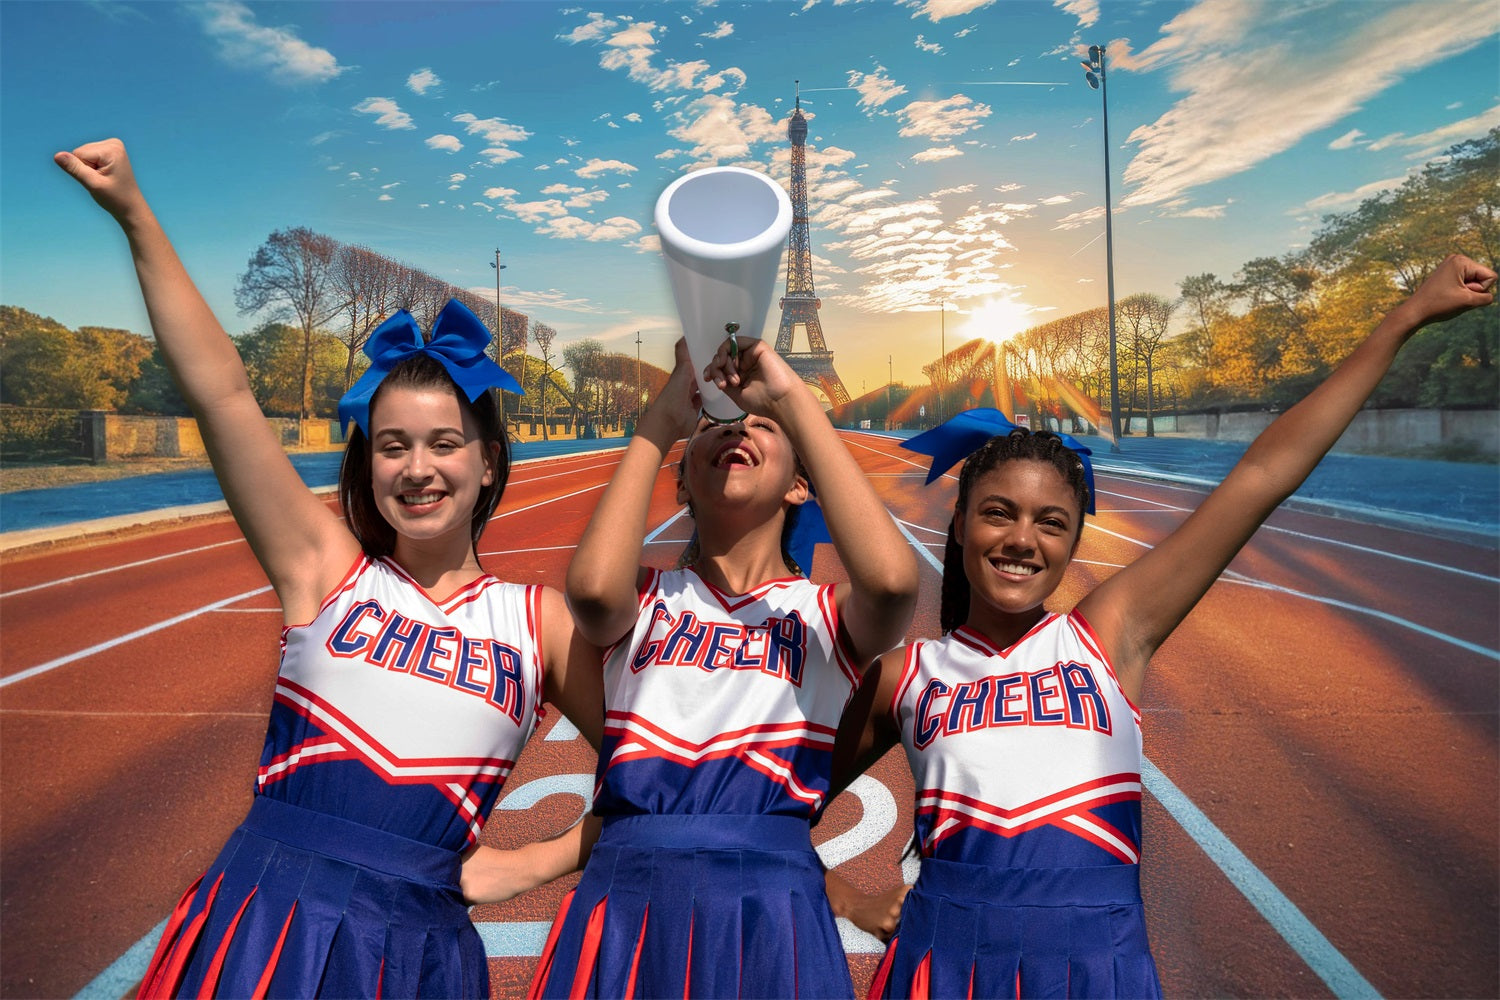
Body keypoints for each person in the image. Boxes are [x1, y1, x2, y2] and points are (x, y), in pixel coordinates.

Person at [830, 254, 1496, 999]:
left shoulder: (1109, 633)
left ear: (1074, 541)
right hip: (941, 964)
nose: (1023, 539)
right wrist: (849, 900)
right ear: (957, 528)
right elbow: (764, 814)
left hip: (1098, 967)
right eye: (997, 512)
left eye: (1052, 523)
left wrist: (1402, 318)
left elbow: (1260, 476)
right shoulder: (905, 675)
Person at [55, 138, 604, 999]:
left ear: (490, 462)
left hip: (415, 942)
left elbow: (662, 772)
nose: (416, 468)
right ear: (368, 462)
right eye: (392, 446)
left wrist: (533, 862)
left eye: (444, 444)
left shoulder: (539, 623)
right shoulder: (324, 569)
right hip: (259, 917)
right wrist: (135, 214)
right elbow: (225, 393)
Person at [486, 332, 919, 998]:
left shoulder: (823, 614)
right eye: (714, 422)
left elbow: (892, 583)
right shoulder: (644, 600)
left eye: (762, 424)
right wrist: (659, 424)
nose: (738, 424)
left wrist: (792, 397)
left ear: (803, 484)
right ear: (683, 478)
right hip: (628, 898)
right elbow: (592, 590)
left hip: (773, 908)